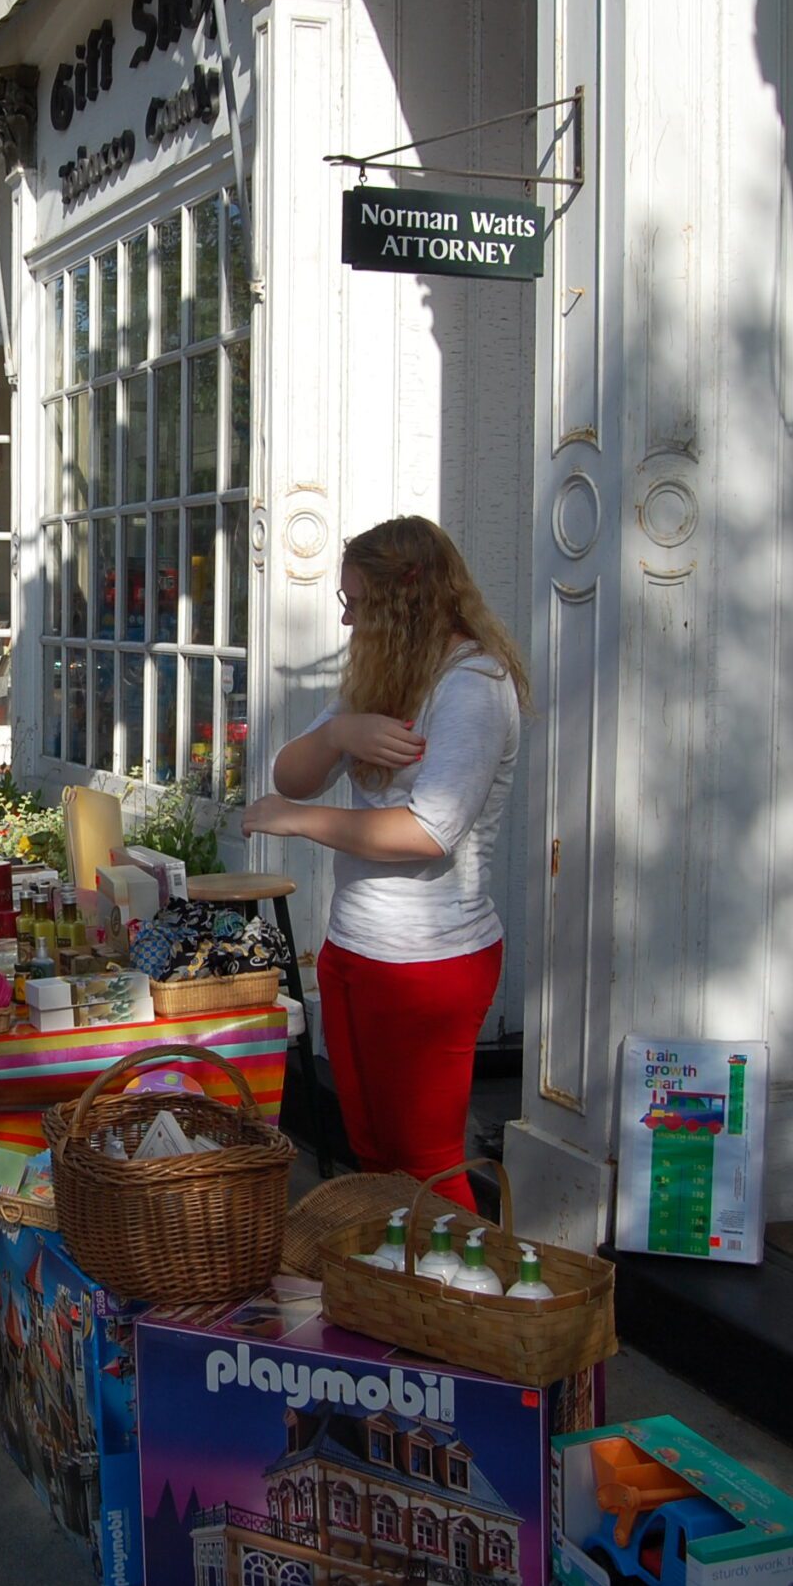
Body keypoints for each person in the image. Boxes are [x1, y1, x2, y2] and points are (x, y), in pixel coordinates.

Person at [242, 516, 528, 1213]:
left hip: (431, 964)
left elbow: (429, 832)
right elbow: (291, 772)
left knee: (425, 1166)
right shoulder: (390, 676)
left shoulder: (474, 686)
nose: (345, 619)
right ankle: (396, 1302)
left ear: (405, 600)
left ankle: (461, 1307)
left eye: (356, 602)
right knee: (373, 1155)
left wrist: (301, 822)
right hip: (356, 951)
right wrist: (341, 731)